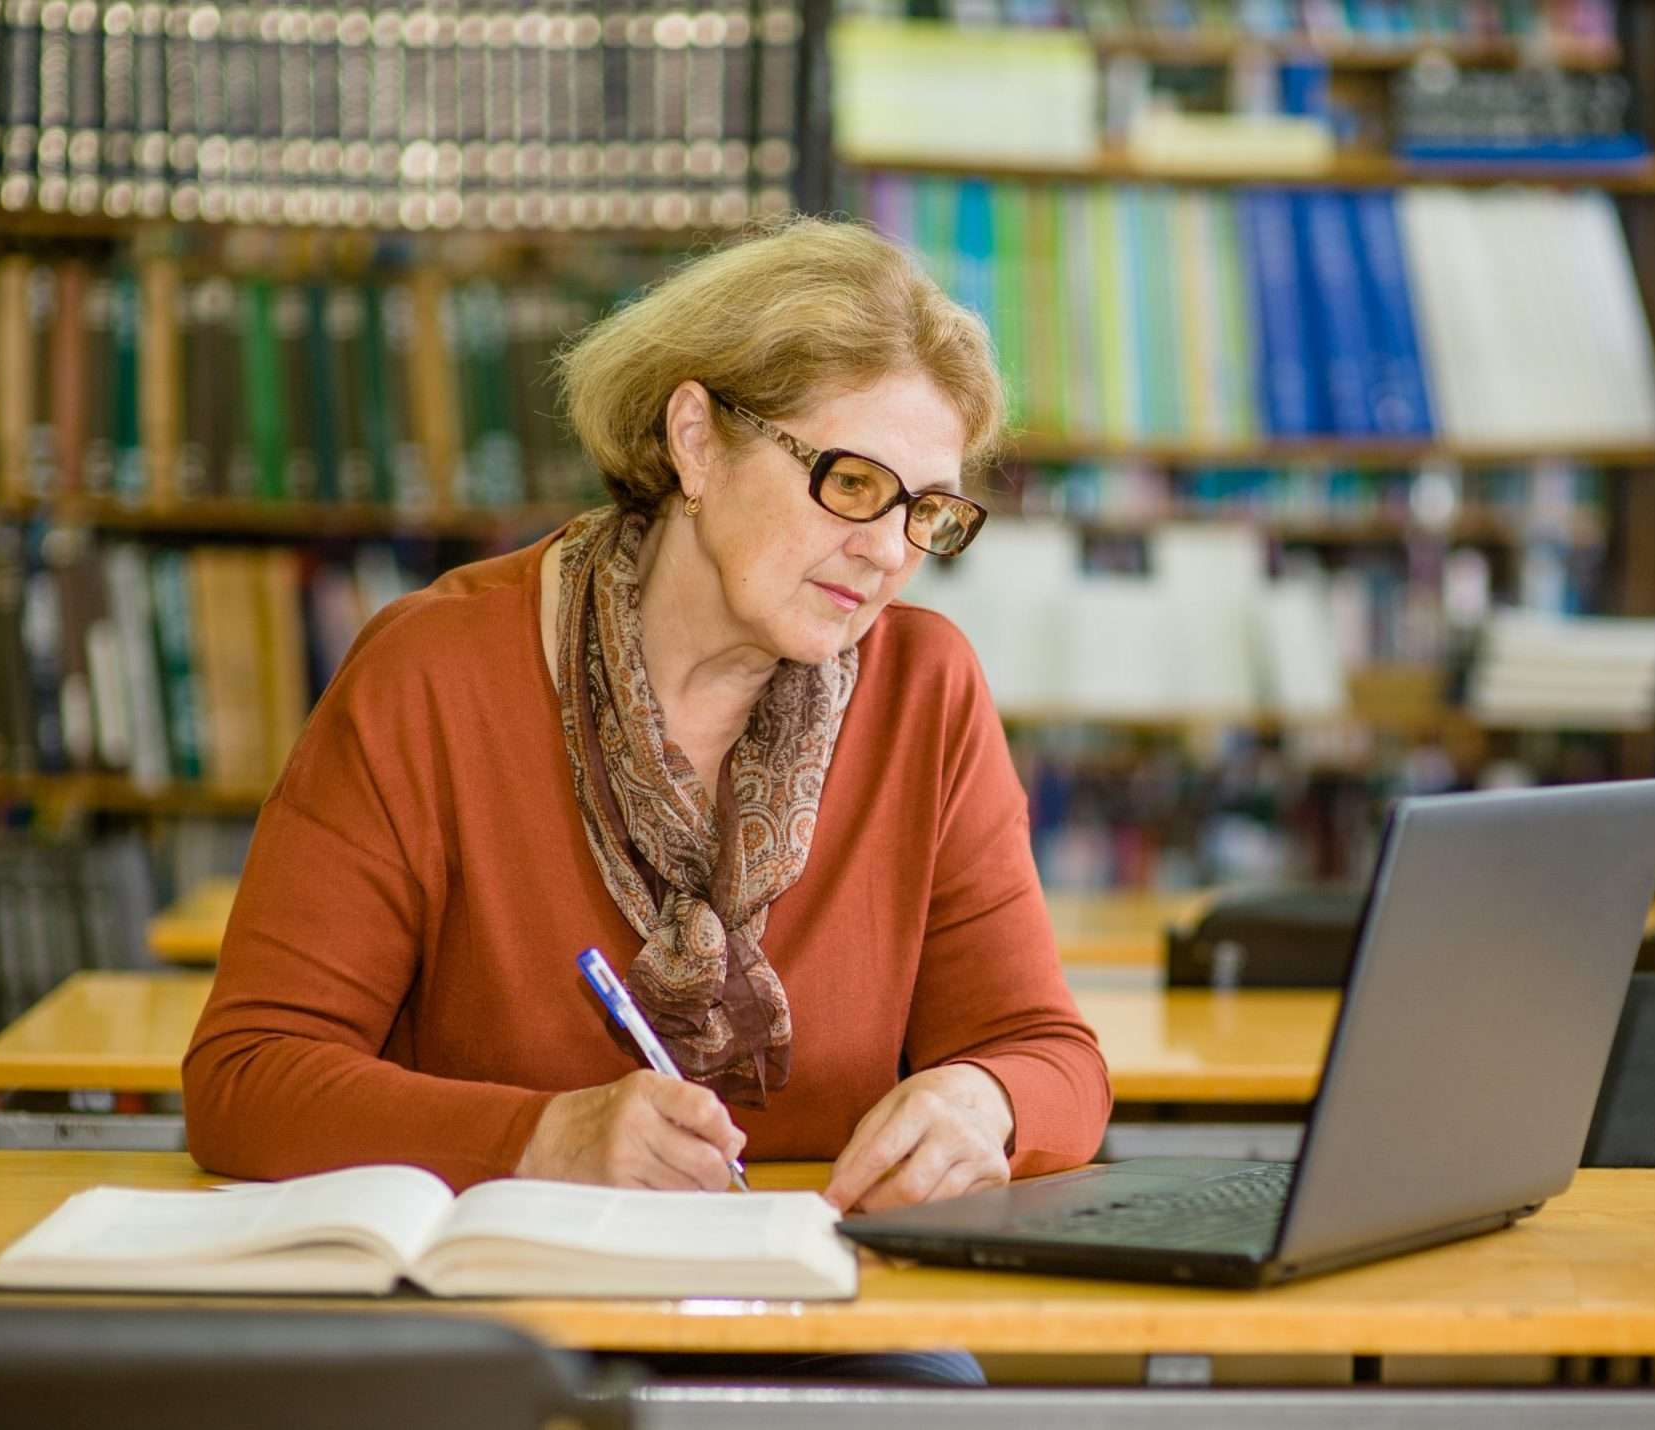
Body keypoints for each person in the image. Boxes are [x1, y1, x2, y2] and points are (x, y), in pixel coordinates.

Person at [182, 217, 1112, 1233]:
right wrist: (540, 1140)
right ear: (696, 439)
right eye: (851, 484)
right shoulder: (432, 672)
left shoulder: (923, 690)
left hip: (828, 1315)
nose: (889, 550)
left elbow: (1049, 1053)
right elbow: (247, 1078)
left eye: (927, 510)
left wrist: (986, 1099)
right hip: (511, 1315)